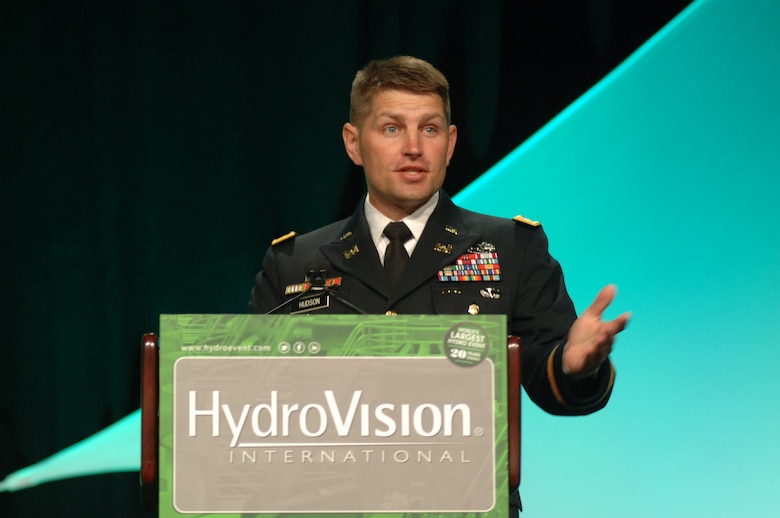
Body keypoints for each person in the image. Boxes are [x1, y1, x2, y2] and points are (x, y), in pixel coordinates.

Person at [249, 55, 629, 515]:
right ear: (353, 143)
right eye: (392, 128)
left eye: (429, 129)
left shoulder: (512, 248)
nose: (413, 147)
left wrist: (576, 366)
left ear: (450, 144)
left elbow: (550, 378)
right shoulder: (293, 261)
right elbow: (253, 409)